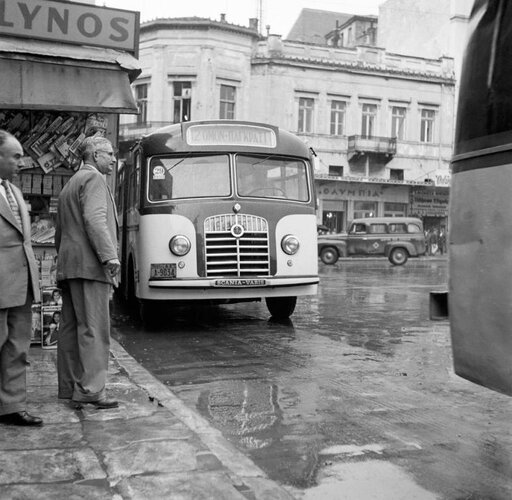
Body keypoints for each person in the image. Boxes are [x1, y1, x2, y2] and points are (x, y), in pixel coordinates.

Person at [55, 136, 120, 409]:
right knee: (94, 329)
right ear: (94, 154)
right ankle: (92, 390)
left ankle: (69, 387)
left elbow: (60, 231)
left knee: (70, 328)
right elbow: (95, 220)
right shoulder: (94, 180)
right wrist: (110, 256)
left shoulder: (70, 183)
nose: (114, 159)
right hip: (90, 266)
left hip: (70, 266)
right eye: (109, 154)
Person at [0, 130, 43, 426]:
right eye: (15, 156)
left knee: (18, 346)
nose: (21, 162)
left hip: (21, 282)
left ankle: (11, 405)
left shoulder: (13, 190)